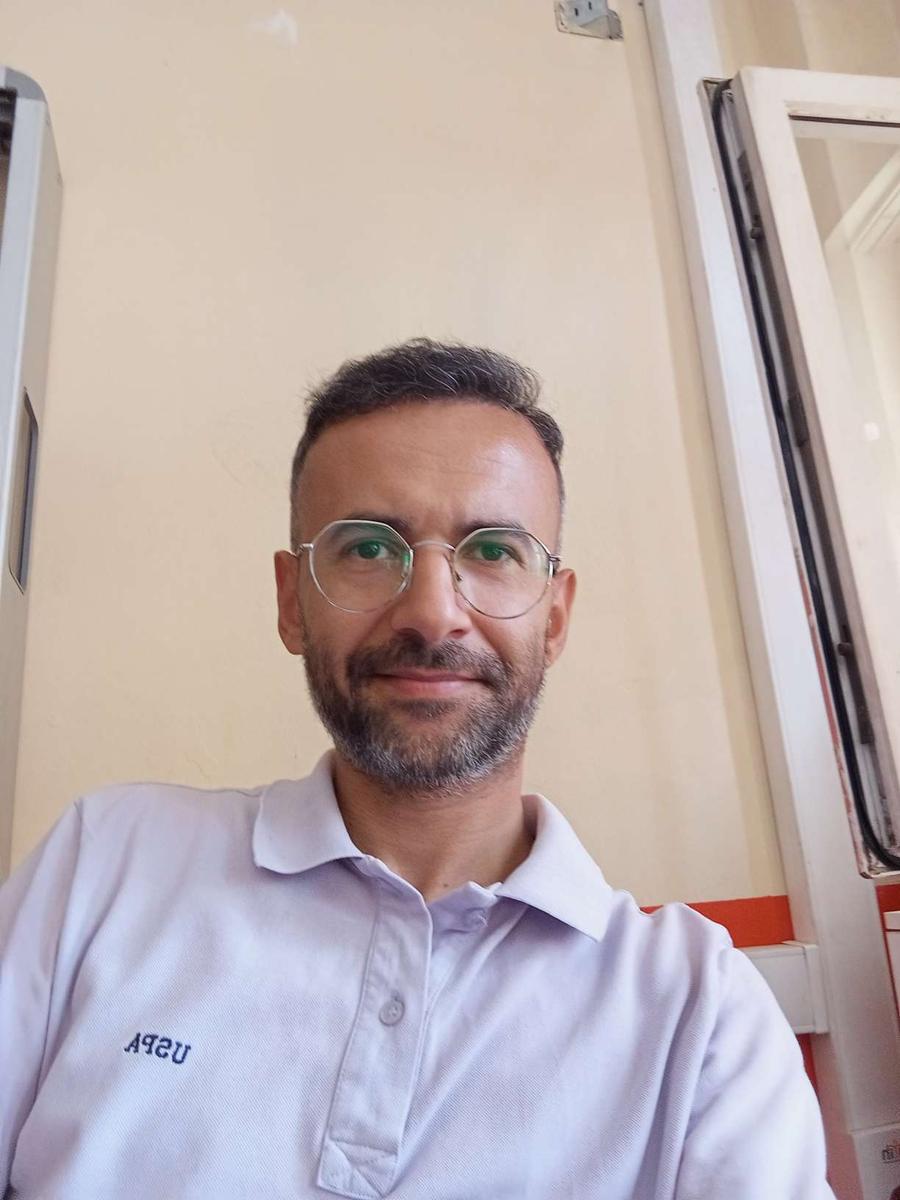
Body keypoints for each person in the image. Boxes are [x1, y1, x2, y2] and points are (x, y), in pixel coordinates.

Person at [0, 338, 834, 1199]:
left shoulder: (701, 1015)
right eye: (367, 549)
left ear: (554, 619)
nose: (433, 615)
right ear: (292, 602)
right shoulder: (103, 865)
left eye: (494, 551)